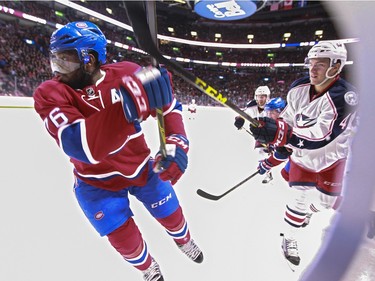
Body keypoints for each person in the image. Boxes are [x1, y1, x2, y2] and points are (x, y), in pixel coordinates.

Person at [33, 21, 203, 281]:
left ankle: (184, 240)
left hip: (142, 169)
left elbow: (167, 107)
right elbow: (78, 146)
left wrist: (176, 143)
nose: (58, 71)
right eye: (55, 61)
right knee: (126, 242)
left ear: (89, 59)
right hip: (96, 186)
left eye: (65, 62)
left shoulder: (127, 73)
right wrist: (127, 107)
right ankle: (147, 267)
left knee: (172, 216)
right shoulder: (50, 93)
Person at [249, 41, 358, 266]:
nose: (313, 68)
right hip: (301, 157)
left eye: (320, 64)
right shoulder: (299, 88)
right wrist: (273, 130)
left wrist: (282, 135)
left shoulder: (346, 97)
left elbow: (321, 136)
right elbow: (288, 118)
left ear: (336, 66)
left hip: (331, 159)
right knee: (298, 196)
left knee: (327, 202)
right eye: (311, 63)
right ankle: (289, 238)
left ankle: (310, 211)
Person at [234, 85, 272, 183]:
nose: (260, 99)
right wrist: (240, 120)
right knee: (261, 152)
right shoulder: (252, 105)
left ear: (267, 97)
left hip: (273, 132)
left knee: (280, 153)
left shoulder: (272, 106)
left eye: (263, 96)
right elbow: (245, 114)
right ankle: (268, 174)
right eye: (258, 96)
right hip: (261, 134)